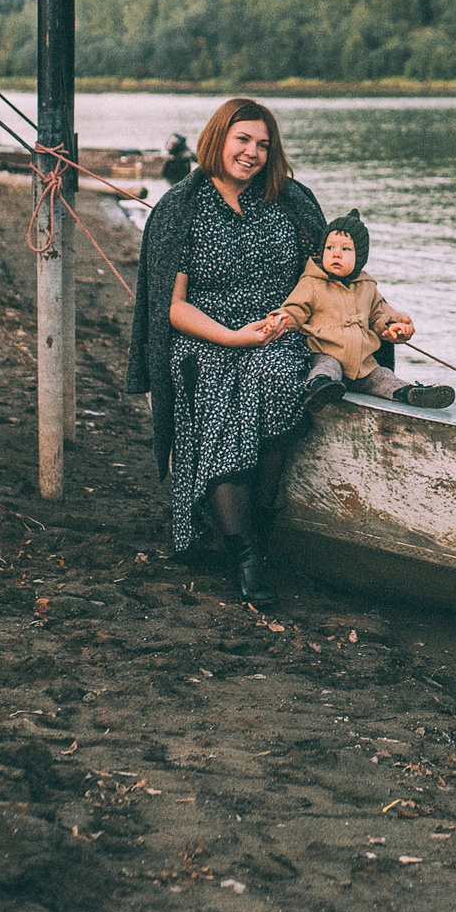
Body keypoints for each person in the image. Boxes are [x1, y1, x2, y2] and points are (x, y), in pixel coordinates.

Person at [126, 97, 324, 606]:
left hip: (278, 328)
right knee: (213, 378)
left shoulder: (291, 200)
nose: (253, 152)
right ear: (218, 139)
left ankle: (254, 524)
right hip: (203, 331)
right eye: (243, 140)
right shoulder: (182, 208)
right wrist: (232, 336)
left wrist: (375, 318)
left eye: (263, 144)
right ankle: (244, 552)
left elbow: (326, 276)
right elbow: (170, 306)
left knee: (278, 377)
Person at [266, 213, 455, 410]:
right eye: (330, 248)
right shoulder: (312, 282)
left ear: (360, 257)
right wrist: (282, 318)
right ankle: (320, 390)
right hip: (326, 351)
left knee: (382, 377)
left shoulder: (366, 286)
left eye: (345, 249)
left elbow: (378, 314)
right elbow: (296, 309)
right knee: (326, 369)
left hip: (362, 363)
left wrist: (393, 326)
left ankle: (411, 393)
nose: (336, 254)